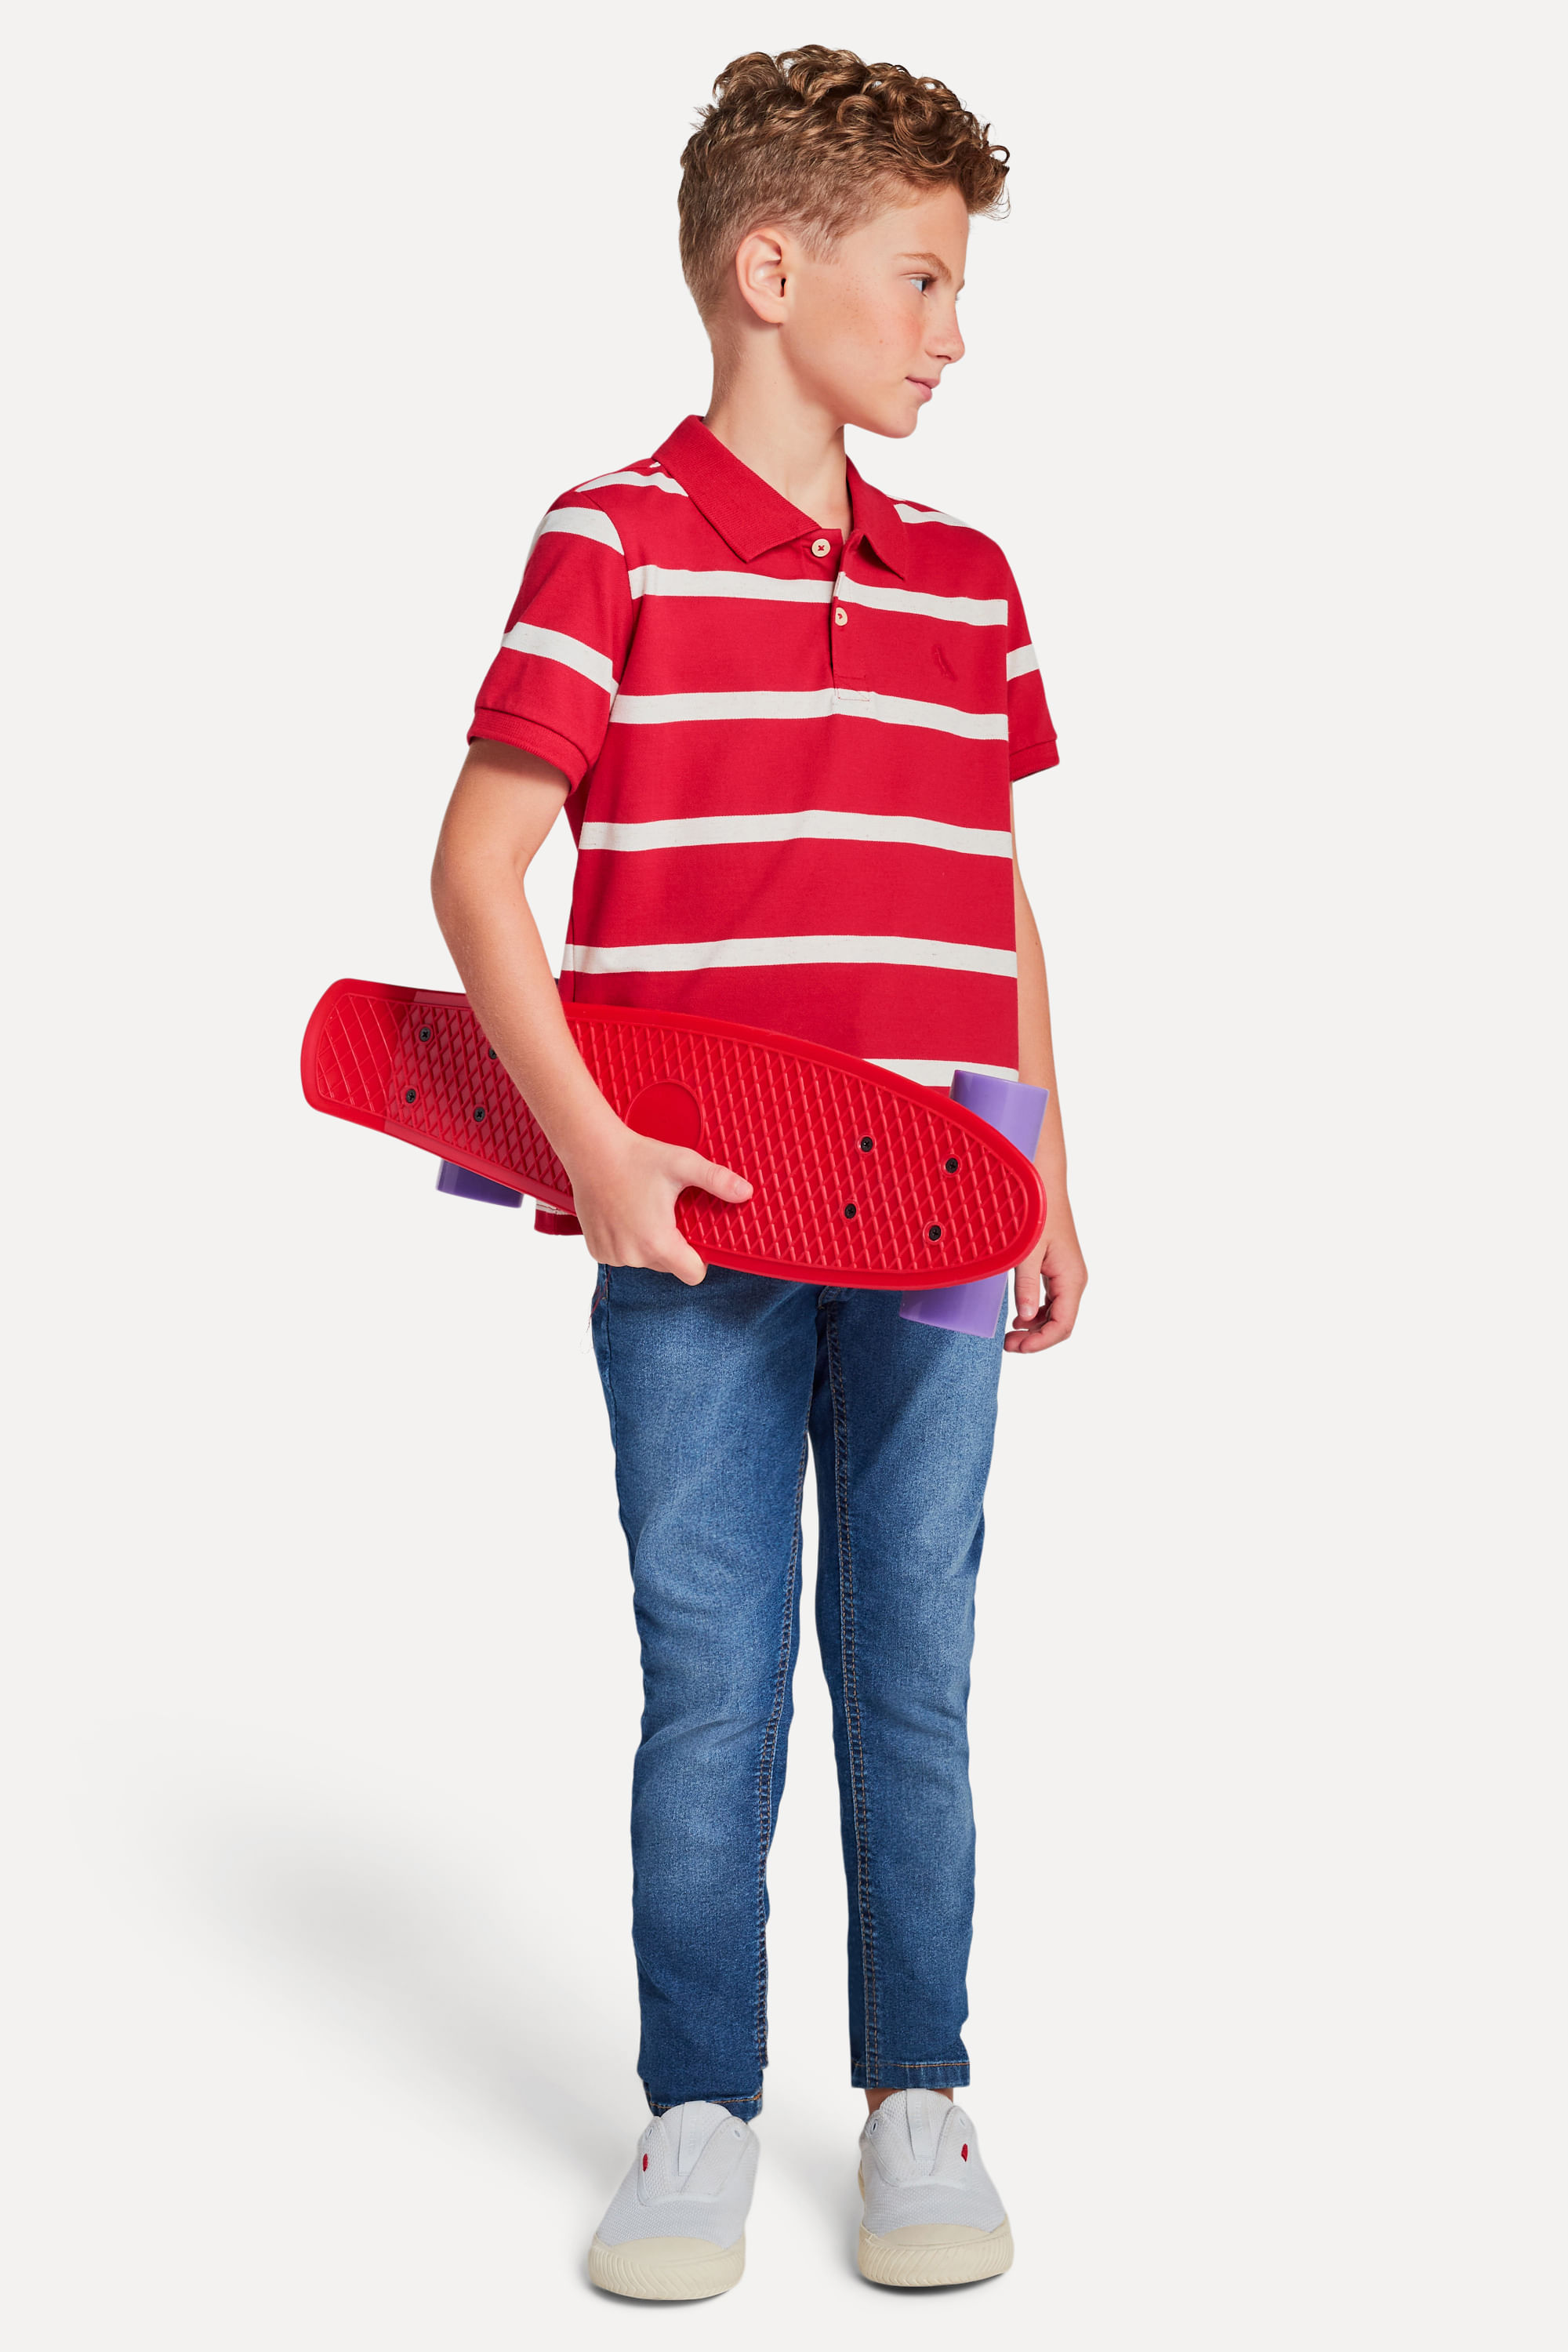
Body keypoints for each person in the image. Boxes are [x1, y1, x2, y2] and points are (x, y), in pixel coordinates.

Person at [430, 45, 1087, 2299]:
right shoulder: (609, 540)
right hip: (691, 1216)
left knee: (913, 1665)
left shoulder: (968, 579)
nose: (954, 329)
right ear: (771, 269)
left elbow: (994, 900)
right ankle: (697, 2108)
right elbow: (479, 869)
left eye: (959, 285)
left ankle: (918, 2097)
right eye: (923, 277)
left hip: (938, 1205)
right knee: (711, 1670)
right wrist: (599, 1155)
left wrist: (1052, 1172)